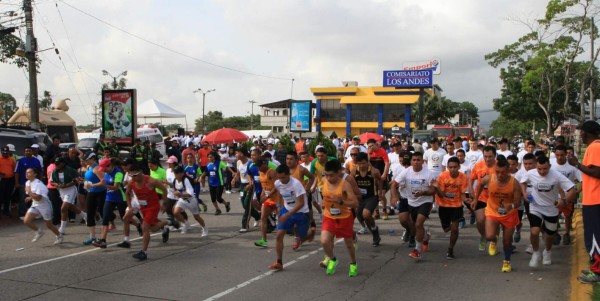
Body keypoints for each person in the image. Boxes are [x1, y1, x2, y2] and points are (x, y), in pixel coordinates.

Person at [520, 155, 577, 268]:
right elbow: (523, 182)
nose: (542, 171)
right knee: (535, 231)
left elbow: (572, 189)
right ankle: (536, 253)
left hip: (551, 209)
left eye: (545, 169)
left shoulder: (557, 175)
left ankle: (547, 251)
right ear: (536, 166)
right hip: (535, 207)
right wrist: (524, 193)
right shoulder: (531, 173)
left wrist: (564, 201)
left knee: (550, 235)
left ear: (549, 166)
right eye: (539, 169)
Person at [566, 121, 600, 283]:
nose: (580, 135)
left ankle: (598, 272)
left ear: (586, 133)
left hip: (595, 199)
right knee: (593, 235)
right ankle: (595, 267)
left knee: (594, 237)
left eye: (581, 132)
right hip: (592, 198)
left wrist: (577, 164)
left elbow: (597, 172)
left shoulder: (595, 147)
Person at [474, 158, 521, 272]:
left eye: (503, 172)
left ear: (508, 171)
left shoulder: (514, 183)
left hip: (509, 214)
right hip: (493, 211)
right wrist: (475, 199)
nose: (500, 175)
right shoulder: (490, 178)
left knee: (507, 241)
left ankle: (506, 261)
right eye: (497, 172)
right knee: (489, 236)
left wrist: (511, 206)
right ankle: (494, 241)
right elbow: (480, 185)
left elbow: (518, 202)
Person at [319, 160, 359, 277]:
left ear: (338, 173)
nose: (328, 178)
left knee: (348, 244)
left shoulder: (345, 185)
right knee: (324, 241)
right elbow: (325, 195)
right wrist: (323, 202)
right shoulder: (323, 181)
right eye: (326, 174)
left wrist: (341, 201)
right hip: (329, 216)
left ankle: (353, 263)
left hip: (344, 217)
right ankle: (333, 259)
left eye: (331, 175)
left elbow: (355, 203)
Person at [126, 163, 172, 260]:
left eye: (135, 175)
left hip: (153, 207)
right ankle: (167, 223)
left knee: (145, 227)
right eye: (131, 175)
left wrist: (164, 203)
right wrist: (130, 207)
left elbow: (164, 190)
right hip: (143, 208)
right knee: (152, 228)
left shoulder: (151, 181)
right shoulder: (132, 182)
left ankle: (144, 252)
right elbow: (127, 193)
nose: (133, 178)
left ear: (141, 173)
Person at [269, 164, 311, 271]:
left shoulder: (296, 184)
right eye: (279, 178)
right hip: (287, 209)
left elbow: (301, 203)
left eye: (283, 177)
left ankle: (309, 233)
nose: (281, 180)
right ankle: (279, 262)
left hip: (301, 212)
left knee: (304, 236)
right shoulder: (278, 183)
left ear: (289, 175)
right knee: (279, 236)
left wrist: (287, 215)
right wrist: (279, 206)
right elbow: (279, 193)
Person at [395, 152, 435, 260]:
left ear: (422, 161)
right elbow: (394, 183)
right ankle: (425, 237)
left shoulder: (428, 173)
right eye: (414, 160)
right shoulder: (406, 172)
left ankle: (417, 250)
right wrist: (394, 196)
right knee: (416, 226)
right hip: (411, 202)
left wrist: (424, 192)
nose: (416, 162)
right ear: (411, 161)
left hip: (425, 201)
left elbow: (433, 189)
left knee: (418, 224)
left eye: (418, 160)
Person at [432, 157, 469, 260]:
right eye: (450, 167)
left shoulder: (463, 177)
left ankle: (450, 249)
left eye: (455, 167)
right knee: (446, 229)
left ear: (459, 167)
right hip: (444, 205)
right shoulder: (442, 176)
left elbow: (462, 194)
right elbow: (441, 195)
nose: (453, 169)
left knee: (454, 228)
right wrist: (436, 187)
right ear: (447, 167)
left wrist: (467, 201)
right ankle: (447, 227)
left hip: (456, 205)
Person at [22, 168, 63, 244]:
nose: (27, 174)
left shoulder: (39, 184)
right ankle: (39, 231)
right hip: (35, 204)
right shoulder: (27, 183)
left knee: (49, 225)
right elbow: (35, 196)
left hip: (44, 205)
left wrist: (29, 192)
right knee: (26, 221)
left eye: (29, 172)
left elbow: (38, 198)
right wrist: (30, 197)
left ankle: (59, 235)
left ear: (35, 174)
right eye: (26, 172)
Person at [551, 145, 582, 245]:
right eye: (557, 155)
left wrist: (576, 193)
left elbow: (583, 181)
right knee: (554, 216)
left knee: (568, 216)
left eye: (562, 155)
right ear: (554, 154)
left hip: (568, 196)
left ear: (566, 154)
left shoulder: (572, 166)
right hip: (554, 196)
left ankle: (567, 234)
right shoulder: (550, 164)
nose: (559, 157)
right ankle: (555, 233)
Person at [469, 146, 497, 252]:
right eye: (485, 156)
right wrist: (471, 190)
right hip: (480, 196)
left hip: (495, 198)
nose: (488, 159)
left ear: (495, 156)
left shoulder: (499, 166)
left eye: (490, 157)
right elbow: (471, 179)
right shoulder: (478, 165)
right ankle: (484, 236)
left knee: (494, 222)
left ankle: (494, 240)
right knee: (480, 220)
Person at [50, 157, 86, 236]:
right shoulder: (54, 172)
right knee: (70, 207)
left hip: (70, 190)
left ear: (63, 163)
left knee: (63, 208)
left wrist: (66, 185)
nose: (57, 165)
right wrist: (58, 185)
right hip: (61, 191)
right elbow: (52, 182)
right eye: (56, 164)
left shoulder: (70, 170)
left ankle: (62, 229)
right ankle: (85, 216)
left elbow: (76, 180)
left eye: (58, 164)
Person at [352, 152, 382, 246]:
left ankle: (375, 232)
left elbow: (380, 180)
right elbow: (350, 182)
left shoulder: (374, 171)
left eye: (363, 163)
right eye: (359, 163)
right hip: (360, 198)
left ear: (367, 162)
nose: (361, 165)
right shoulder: (354, 171)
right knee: (359, 215)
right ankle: (374, 230)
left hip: (372, 197)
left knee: (366, 214)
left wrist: (380, 192)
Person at [286, 151, 316, 240]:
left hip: (301, 197)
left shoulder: (301, 169)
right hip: (290, 197)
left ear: (296, 160)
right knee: (294, 219)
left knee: (303, 217)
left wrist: (307, 189)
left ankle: (311, 223)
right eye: (287, 159)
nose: (289, 161)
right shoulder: (285, 170)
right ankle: (297, 237)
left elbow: (312, 177)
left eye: (291, 159)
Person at [171, 166, 208, 236]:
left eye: (177, 174)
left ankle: (204, 228)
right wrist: (175, 193)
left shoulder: (186, 180)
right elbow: (175, 189)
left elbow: (190, 194)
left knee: (196, 217)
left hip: (191, 200)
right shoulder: (175, 180)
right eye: (174, 174)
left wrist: (180, 195)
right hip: (182, 200)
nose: (175, 175)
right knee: (175, 212)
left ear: (181, 173)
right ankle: (186, 224)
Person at [82, 152, 107, 245]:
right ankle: (92, 237)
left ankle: (104, 234)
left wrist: (91, 185)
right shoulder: (89, 167)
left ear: (92, 158)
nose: (86, 161)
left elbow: (103, 182)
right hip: (91, 192)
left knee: (102, 212)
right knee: (89, 214)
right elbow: (89, 179)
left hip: (101, 193)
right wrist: (84, 182)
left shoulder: (97, 168)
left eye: (87, 159)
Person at [254, 157, 280, 248]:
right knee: (263, 217)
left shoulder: (272, 172)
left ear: (264, 164)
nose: (258, 169)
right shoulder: (260, 172)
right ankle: (264, 240)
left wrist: (267, 196)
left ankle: (296, 235)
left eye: (260, 166)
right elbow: (263, 185)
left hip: (277, 198)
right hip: (268, 199)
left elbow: (277, 186)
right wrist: (262, 194)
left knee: (282, 219)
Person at [233, 148, 260, 232]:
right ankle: (257, 216)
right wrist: (234, 179)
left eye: (237, 153)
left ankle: (244, 225)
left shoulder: (250, 163)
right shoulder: (238, 162)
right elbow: (238, 173)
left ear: (242, 154)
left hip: (250, 186)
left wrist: (250, 184)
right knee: (244, 205)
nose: (236, 155)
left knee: (247, 204)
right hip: (242, 186)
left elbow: (251, 174)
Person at [15, 146, 43, 219]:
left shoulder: (36, 160)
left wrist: (40, 181)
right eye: (26, 151)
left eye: (29, 151)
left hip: (35, 183)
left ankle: (34, 214)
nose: (28, 152)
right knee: (23, 198)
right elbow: (16, 172)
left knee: (34, 198)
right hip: (23, 183)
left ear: (32, 152)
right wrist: (17, 183)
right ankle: (22, 214)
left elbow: (40, 172)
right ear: (24, 152)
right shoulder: (20, 161)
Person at [366, 139, 390, 220]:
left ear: (376, 144)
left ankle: (384, 210)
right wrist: (369, 154)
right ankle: (376, 211)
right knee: (375, 195)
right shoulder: (369, 153)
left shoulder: (382, 151)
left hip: (382, 175)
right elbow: (366, 163)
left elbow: (387, 163)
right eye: (369, 146)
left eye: (372, 145)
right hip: (373, 177)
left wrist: (384, 174)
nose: (371, 147)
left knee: (382, 194)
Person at [0, 146, 16, 216]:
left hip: (10, 179)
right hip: (2, 180)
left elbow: (14, 169)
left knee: (8, 195)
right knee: (1, 196)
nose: (5, 154)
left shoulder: (12, 159)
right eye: (3, 153)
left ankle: (6, 211)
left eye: (6, 153)